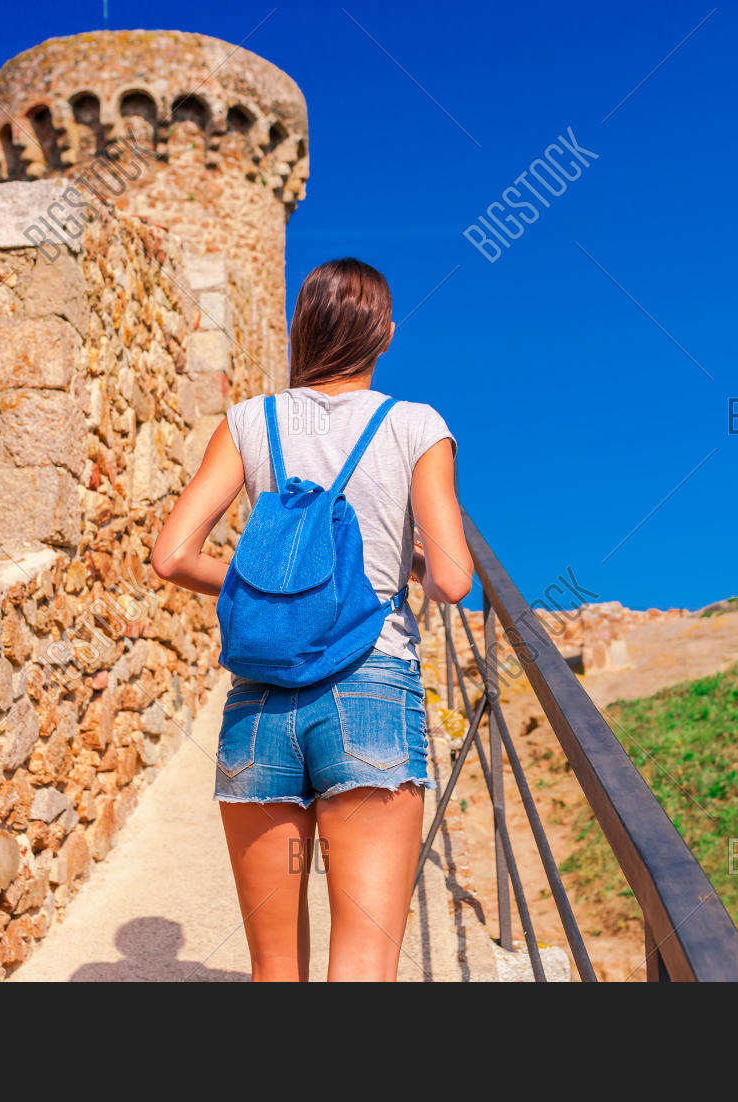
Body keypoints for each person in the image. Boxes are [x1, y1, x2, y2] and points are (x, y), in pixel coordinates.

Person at [152, 257, 472, 981]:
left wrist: (270, 589)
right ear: (384, 334)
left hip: (259, 703)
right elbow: (453, 579)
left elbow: (171, 556)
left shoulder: (249, 421)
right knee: (361, 961)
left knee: (273, 970)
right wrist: (409, 563)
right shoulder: (416, 426)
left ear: (303, 332)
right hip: (372, 690)